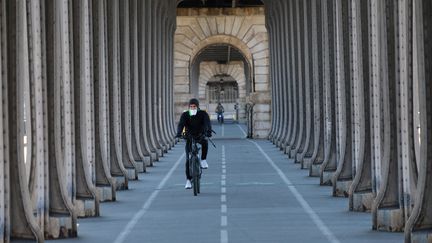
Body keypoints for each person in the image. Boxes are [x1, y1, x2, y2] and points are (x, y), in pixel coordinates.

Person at [176, 98, 212, 189]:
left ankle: (203, 160)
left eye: (194, 106)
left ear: (197, 107)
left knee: (205, 142)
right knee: (188, 159)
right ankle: (188, 180)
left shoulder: (203, 114)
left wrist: (208, 132)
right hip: (189, 137)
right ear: (189, 107)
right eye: (191, 106)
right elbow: (181, 124)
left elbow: (208, 123)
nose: (192, 108)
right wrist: (178, 134)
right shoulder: (185, 115)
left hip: (200, 135)